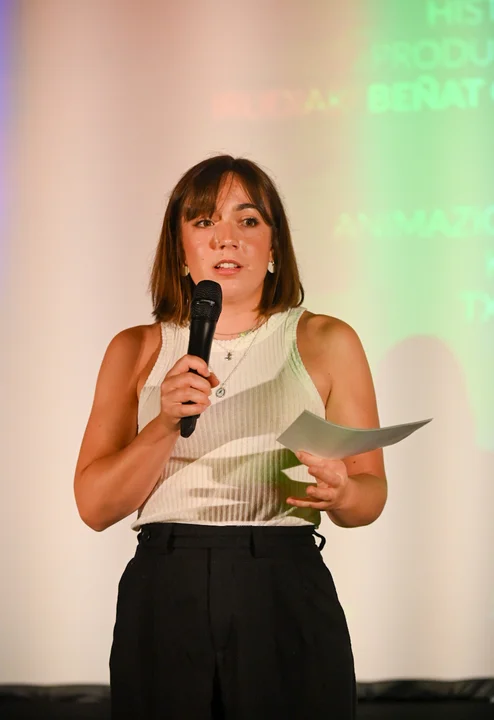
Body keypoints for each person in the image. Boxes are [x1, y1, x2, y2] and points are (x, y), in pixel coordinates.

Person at [74, 155, 387, 720]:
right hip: (166, 585)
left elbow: (370, 496)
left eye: (248, 220)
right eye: (203, 222)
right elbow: (95, 508)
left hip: (282, 584)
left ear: (274, 246)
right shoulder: (136, 348)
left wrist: (343, 492)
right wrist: (164, 424)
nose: (227, 238)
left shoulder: (326, 340)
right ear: (180, 250)